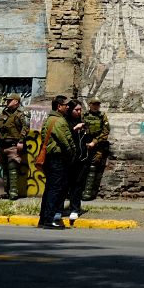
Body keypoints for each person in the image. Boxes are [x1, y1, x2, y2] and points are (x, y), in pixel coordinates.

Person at [37, 96, 77, 229]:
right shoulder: (59, 121)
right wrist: (72, 154)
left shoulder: (50, 119)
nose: (67, 107)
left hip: (52, 158)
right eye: (65, 105)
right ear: (59, 106)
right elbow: (65, 141)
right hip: (58, 159)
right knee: (55, 189)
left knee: (50, 189)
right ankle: (49, 219)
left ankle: (44, 218)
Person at [0, 95, 28, 200]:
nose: (7, 102)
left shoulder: (21, 114)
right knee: (5, 170)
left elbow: (26, 127)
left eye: (9, 100)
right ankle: (7, 192)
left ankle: (14, 193)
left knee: (13, 169)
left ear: (16, 101)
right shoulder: (4, 113)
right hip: (2, 146)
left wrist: (21, 141)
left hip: (13, 146)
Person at [80, 99, 111, 201]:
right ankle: (79, 191)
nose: (96, 106)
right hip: (84, 144)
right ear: (90, 105)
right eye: (94, 104)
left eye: (98, 104)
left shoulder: (102, 116)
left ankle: (88, 192)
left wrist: (95, 142)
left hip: (97, 145)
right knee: (82, 167)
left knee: (93, 167)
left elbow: (106, 131)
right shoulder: (84, 115)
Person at [63, 99, 88, 224]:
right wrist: (74, 129)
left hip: (80, 157)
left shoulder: (81, 121)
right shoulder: (65, 122)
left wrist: (84, 129)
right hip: (68, 158)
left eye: (80, 110)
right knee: (64, 184)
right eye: (76, 110)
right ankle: (59, 209)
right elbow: (65, 136)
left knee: (77, 184)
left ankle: (75, 208)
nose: (79, 112)